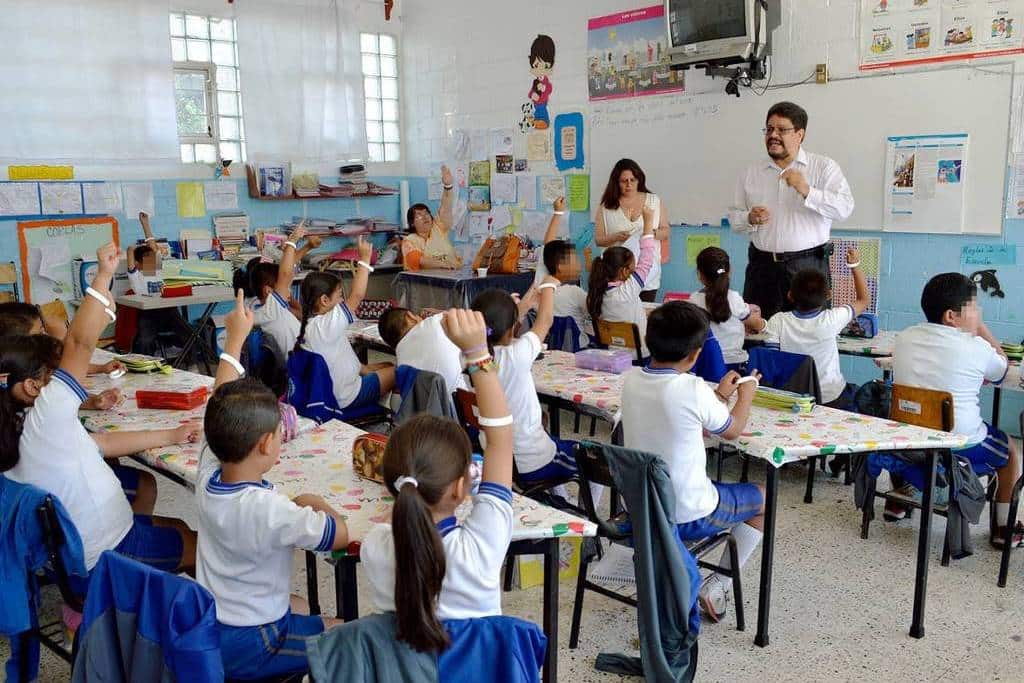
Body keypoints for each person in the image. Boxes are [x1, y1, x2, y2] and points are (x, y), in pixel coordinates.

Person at [0, 243, 199, 577]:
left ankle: (132, 587)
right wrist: (103, 275)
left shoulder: (19, 420)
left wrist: (171, 434)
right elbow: (79, 344)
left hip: (75, 550)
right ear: (32, 386)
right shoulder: (46, 417)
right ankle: (133, 590)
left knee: (178, 526)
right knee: (200, 547)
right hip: (106, 553)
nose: (58, 375)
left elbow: (100, 443)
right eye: (51, 373)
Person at [196, 290, 349, 679]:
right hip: (257, 641)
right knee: (345, 633)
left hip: (214, 627)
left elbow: (218, 402)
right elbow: (339, 535)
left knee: (300, 604)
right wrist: (313, 501)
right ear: (267, 444)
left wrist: (234, 341)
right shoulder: (273, 510)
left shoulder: (209, 473)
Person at [361, 308, 515, 652]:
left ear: (391, 482)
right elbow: (501, 441)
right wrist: (478, 354)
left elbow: (500, 441)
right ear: (462, 487)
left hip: (407, 673)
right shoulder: (481, 546)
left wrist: (478, 355)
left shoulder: (377, 546)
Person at [620, 301, 762, 623]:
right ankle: (718, 584)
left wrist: (720, 397)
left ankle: (693, 572)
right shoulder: (693, 388)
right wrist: (746, 396)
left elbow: (681, 423)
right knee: (763, 499)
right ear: (696, 354)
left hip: (643, 510)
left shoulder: (632, 381)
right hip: (688, 513)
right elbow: (732, 430)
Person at [891, 273, 1021, 544]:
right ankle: (1003, 530)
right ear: (951, 316)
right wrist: (981, 328)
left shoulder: (904, 337)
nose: (978, 313)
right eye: (973, 308)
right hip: (958, 443)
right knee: (1010, 451)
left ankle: (898, 501)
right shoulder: (975, 347)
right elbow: (1002, 368)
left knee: (908, 421)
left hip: (908, 440)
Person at [730, 102, 855, 320]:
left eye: (782, 130)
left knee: (809, 333)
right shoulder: (751, 173)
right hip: (762, 268)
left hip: (807, 268)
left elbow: (844, 208)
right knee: (758, 331)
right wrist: (749, 218)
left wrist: (807, 191)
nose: (773, 135)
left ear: (799, 135)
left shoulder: (823, 167)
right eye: (769, 129)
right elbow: (734, 218)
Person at [472, 276, 573, 484]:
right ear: (511, 329)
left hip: (496, 459)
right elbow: (545, 320)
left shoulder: (470, 357)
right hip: (532, 461)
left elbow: (497, 328)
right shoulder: (516, 355)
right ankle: (580, 505)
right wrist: (549, 286)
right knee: (594, 461)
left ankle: (550, 497)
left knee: (549, 436)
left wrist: (520, 307)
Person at [295, 236, 396, 414]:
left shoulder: (312, 325)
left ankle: (380, 407)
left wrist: (368, 369)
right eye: (339, 295)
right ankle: (395, 416)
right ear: (324, 300)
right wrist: (364, 260)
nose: (342, 300)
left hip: (339, 388)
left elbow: (349, 363)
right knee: (402, 372)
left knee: (387, 364)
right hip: (347, 396)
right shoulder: (326, 326)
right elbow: (357, 296)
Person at [763, 248, 869, 407]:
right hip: (831, 398)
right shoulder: (832, 319)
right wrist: (854, 265)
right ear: (828, 295)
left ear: (790, 295)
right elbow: (863, 300)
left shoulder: (778, 321)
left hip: (792, 398)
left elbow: (773, 363)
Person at [594, 159, 670, 302]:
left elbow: (666, 231)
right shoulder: (606, 206)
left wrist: (649, 233)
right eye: (624, 181)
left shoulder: (653, 201)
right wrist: (616, 237)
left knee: (644, 312)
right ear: (616, 182)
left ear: (639, 179)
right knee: (619, 314)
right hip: (616, 277)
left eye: (632, 180)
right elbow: (598, 240)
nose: (629, 185)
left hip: (647, 275)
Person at [126, 211, 199, 359]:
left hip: (168, 311)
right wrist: (136, 247)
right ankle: (146, 366)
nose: (152, 261)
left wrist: (146, 224)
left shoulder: (156, 270)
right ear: (138, 264)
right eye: (148, 259)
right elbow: (130, 251)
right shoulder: (136, 276)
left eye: (153, 258)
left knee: (191, 335)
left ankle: (192, 362)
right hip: (148, 315)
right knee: (145, 341)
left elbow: (153, 248)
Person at [587, 205, 656, 356]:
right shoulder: (626, 292)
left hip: (614, 357)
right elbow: (646, 261)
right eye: (633, 269)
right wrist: (648, 223)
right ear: (624, 272)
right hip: (638, 357)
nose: (635, 271)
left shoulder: (598, 293)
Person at [248, 224, 321, 358]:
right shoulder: (272, 309)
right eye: (285, 286)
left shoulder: (262, 308)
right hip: (303, 362)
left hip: (301, 358)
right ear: (268, 291)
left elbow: (300, 314)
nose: (288, 289)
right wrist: (292, 241)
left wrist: (308, 246)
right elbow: (286, 274)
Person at [690, 246, 765, 370]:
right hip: (735, 364)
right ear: (729, 271)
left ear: (699, 275)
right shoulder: (734, 298)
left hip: (705, 364)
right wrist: (764, 324)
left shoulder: (694, 299)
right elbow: (755, 324)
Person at [532, 197, 591, 348]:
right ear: (561, 266)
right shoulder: (574, 292)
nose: (579, 264)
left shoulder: (540, 287)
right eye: (575, 260)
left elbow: (548, 247)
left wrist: (558, 213)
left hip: (550, 348)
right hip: (577, 350)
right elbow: (595, 311)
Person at [378, 307, 468, 396]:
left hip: (422, 405)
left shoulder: (401, 363)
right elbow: (468, 318)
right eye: (416, 315)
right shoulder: (435, 322)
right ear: (410, 317)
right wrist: (436, 313)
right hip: (460, 402)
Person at [402, 164, 461, 271]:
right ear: (412, 223)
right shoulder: (410, 241)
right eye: (419, 215)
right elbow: (417, 260)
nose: (425, 217)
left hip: (453, 275)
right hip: (427, 280)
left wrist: (448, 186)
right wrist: (443, 264)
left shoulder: (438, 228)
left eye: (426, 213)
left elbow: (446, 206)